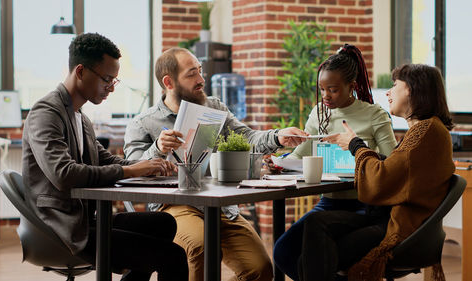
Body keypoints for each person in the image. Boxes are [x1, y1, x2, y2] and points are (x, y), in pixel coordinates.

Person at [123, 47, 307, 281]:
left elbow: (247, 138)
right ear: (169, 82)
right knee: (200, 246)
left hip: (218, 204)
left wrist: (277, 137)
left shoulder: (214, 107)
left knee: (259, 269)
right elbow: (131, 171)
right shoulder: (143, 123)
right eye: (191, 74)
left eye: (200, 71)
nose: (201, 80)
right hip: (174, 205)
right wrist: (157, 148)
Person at [22, 33, 188, 281]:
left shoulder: (81, 117)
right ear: (80, 71)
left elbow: (108, 161)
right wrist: (131, 171)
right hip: (61, 227)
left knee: (164, 223)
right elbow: (63, 174)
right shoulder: (46, 112)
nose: (111, 87)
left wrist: (145, 166)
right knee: (172, 256)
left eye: (114, 80)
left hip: (84, 219)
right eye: (107, 79)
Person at [299, 63, 455, 281]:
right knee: (314, 225)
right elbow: (396, 168)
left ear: (411, 89)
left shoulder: (425, 131)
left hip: (399, 226)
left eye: (394, 85)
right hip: (399, 219)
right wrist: (360, 148)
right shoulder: (428, 129)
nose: (389, 92)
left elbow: (382, 180)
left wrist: (355, 145)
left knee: (317, 250)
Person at [273, 44, 397, 280]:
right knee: (283, 252)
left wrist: (356, 144)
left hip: (364, 205)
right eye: (322, 89)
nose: (326, 96)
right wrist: (279, 162)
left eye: (333, 89)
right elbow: (301, 154)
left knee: (314, 257)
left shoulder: (375, 114)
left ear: (352, 86)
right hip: (329, 203)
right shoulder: (319, 113)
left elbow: (391, 164)